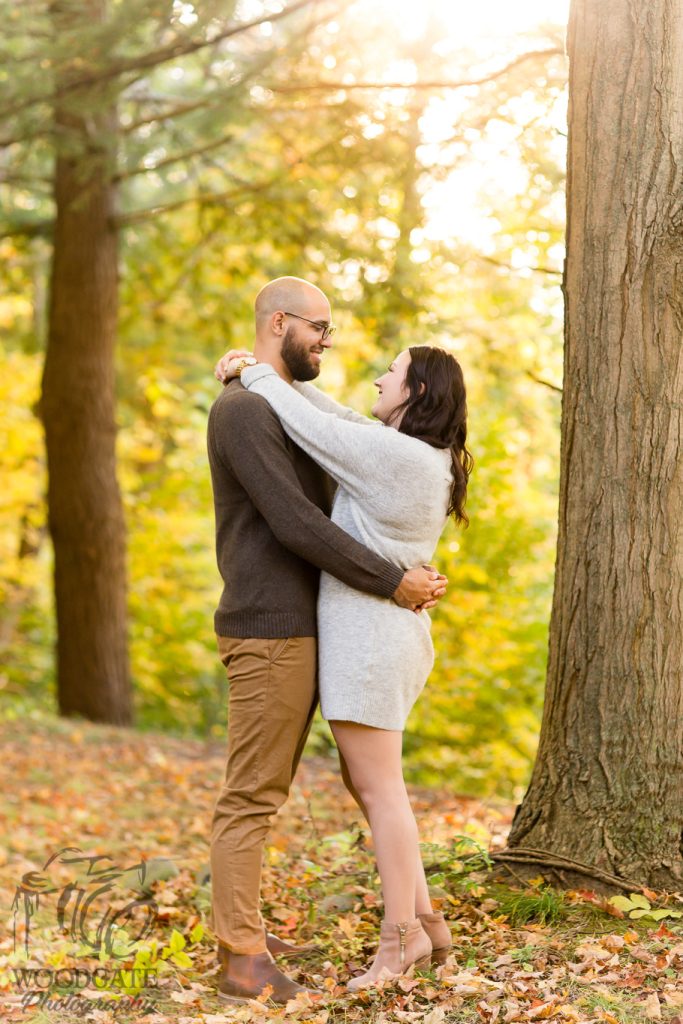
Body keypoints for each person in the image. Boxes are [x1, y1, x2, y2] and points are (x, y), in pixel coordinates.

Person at [206, 276, 448, 1005]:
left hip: (310, 627)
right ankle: (240, 957)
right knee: (253, 794)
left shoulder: (279, 405)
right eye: (318, 326)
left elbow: (345, 453)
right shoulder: (245, 411)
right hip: (269, 627)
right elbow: (296, 523)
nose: (328, 340)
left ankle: (419, 924)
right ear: (278, 321)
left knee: (358, 782)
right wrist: (392, 580)